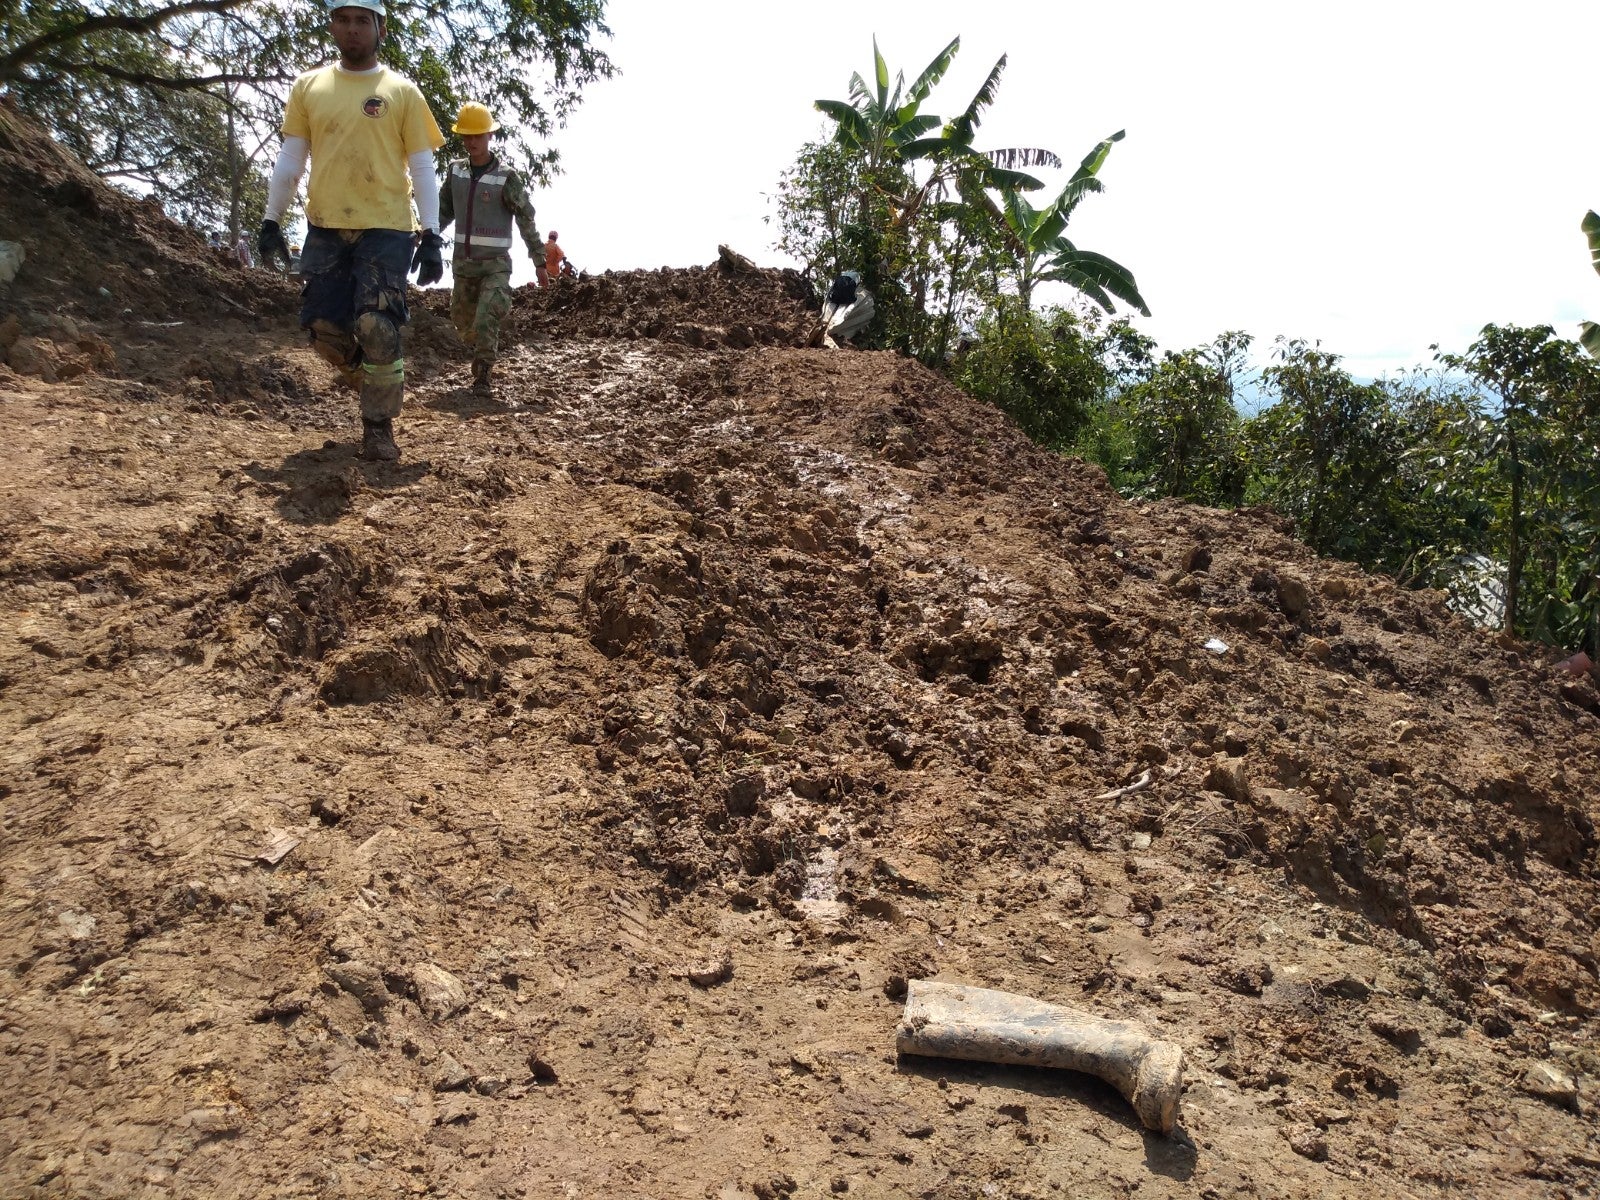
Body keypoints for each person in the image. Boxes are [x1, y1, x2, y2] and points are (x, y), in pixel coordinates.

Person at [257, 0, 445, 462]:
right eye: (344, 20)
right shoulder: (309, 86)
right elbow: (290, 159)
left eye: (363, 20)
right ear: (332, 26)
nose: (353, 29)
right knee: (323, 332)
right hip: (324, 224)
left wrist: (433, 232)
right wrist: (271, 218)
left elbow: (423, 166)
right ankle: (377, 377)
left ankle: (378, 428)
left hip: (387, 226)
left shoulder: (402, 91)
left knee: (377, 325)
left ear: (381, 28)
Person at [437, 101, 539, 394]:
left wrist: (539, 259)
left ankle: (483, 375)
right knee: (464, 323)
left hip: (495, 265)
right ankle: (481, 346)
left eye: (477, 135)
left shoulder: (506, 177)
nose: (471, 142)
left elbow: (525, 218)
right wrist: (422, 234)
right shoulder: (455, 171)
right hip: (464, 266)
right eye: (466, 136)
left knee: (486, 317)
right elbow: (442, 212)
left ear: (489, 136)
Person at [816, 269, 874, 349]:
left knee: (838, 297)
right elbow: (854, 288)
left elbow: (833, 288)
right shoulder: (857, 276)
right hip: (847, 291)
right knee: (848, 297)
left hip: (837, 293)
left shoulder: (844, 274)